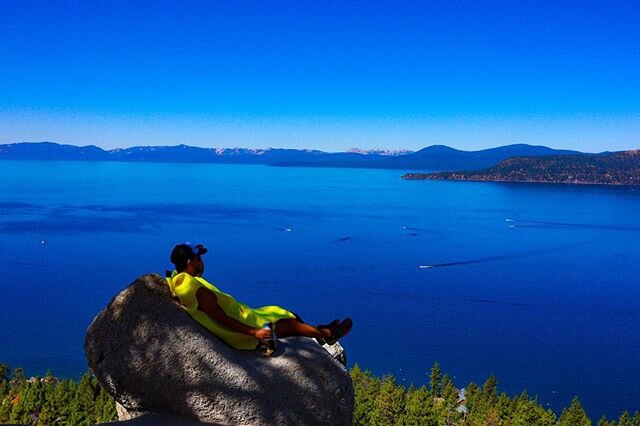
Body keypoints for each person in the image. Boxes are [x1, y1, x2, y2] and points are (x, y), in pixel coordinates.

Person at [166, 242, 352, 351]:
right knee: (290, 323)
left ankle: (320, 331)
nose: (202, 262)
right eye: (199, 259)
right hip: (243, 331)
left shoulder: (179, 279)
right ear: (190, 263)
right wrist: (254, 333)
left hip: (245, 314)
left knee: (280, 311)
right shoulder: (192, 287)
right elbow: (219, 317)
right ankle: (327, 334)